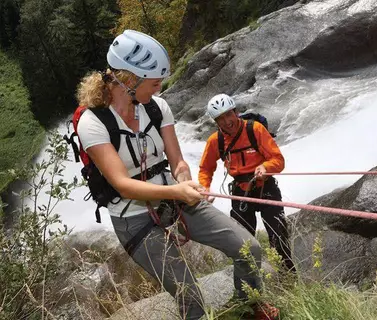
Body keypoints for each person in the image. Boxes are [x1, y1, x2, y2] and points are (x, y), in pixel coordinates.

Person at [75, 30, 268, 320]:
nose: (159, 89)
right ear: (129, 80)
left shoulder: (156, 107)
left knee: (248, 249)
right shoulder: (92, 123)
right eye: (153, 83)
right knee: (189, 295)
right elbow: (122, 184)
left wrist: (184, 180)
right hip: (132, 217)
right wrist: (177, 192)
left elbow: (176, 160)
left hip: (174, 198)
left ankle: (249, 307)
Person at [198, 93, 296, 273]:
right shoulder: (216, 141)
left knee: (278, 236)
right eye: (221, 119)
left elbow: (278, 160)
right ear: (216, 122)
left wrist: (266, 167)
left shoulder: (255, 129)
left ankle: (288, 279)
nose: (227, 121)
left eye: (229, 114)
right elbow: (205, 168)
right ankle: (250, 284)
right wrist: (205, 188)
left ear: (236, 112)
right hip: (240, 192)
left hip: (266, 188)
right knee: (242, 243)